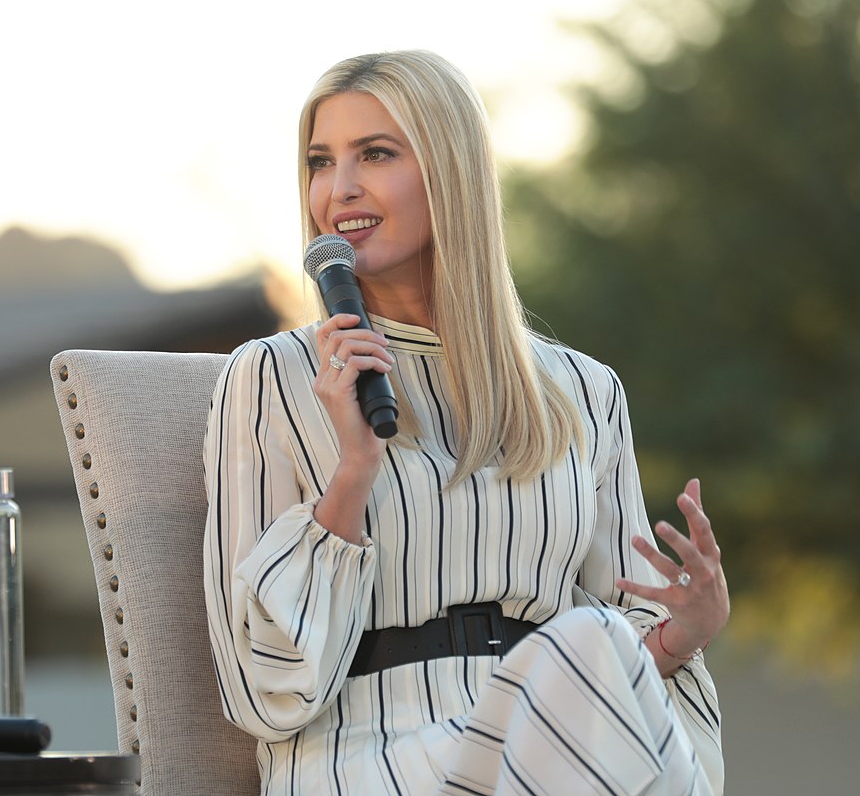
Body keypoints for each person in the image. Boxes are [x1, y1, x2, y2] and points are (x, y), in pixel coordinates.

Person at [203, 50, 728, 795]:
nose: (339, 190)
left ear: (452, 173)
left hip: (556, 747)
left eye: (376, 154)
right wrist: (352, 473)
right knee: (589, 642)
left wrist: (686, 630)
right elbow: (265, 686)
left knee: (596, 640)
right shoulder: (272, 377)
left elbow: (623, 662)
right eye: (321, 162)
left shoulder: (584, 390)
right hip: (370, 751)